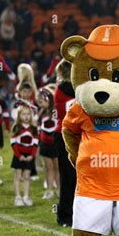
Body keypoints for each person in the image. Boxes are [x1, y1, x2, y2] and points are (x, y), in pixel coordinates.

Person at [53, 59, 76, 227]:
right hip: (72, 135)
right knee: (76, 178)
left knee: (67, 178)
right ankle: (70, 214)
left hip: (62, 135)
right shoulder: (75, 89)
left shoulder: (58, 89)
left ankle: (65, 215)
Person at [10, 104, 39, 207]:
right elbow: (13, 144)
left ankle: (26, 196)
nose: (26, 116)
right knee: (18, 176)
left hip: (30, 156)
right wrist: (19, 156)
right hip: (19, 156)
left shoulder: (34, 129)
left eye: (28, 114)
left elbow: (35, 144)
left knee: (27, 176)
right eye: (23, 114)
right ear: (19, 116)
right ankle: (17, 197)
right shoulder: (16, 128)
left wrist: (32, 156)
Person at [36, 87, 59, 199]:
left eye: (42, 101)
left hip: (56, 143)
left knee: (57, 168)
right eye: (39, 101)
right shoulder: (40, 113)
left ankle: (60, 190)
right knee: (48, 168)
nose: (40, 103)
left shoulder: (56, 111)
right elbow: (38, 128)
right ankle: (49, 190)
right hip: (45, 144)